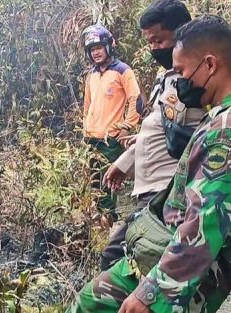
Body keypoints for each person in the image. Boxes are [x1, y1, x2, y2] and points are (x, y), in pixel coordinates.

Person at [67, 14, 231, 313]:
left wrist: (154, 293)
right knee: (91, 298)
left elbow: (206, 222)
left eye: (182, 71)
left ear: (210, 64)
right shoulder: (217, 115)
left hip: (186, 269)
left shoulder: (224, 131)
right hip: (165, 246)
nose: (179, 81)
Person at [100, 0, 206, 271]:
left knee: (119, 259)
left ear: (182, 32)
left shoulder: (193, 82)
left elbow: (194, 134)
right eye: (149, 42)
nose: (153, 48)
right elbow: (163, 128)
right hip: (149, 191)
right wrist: (125, 162)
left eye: (159, 40)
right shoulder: (168, 78)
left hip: (165, 193)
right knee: (126, 260)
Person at [82, 25, 141, 221]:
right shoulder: (91, 75)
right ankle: (100, 224)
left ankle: (109, 225)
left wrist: (127, 126)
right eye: (92, 49)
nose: (96, 52)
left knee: (106, 185)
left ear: (108, 46)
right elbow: (87, 106)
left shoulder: (122, 71)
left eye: (99, 47)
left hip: (110, 140)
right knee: (93, 185)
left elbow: (136, 99)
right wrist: (85, 130)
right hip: (91, 139)